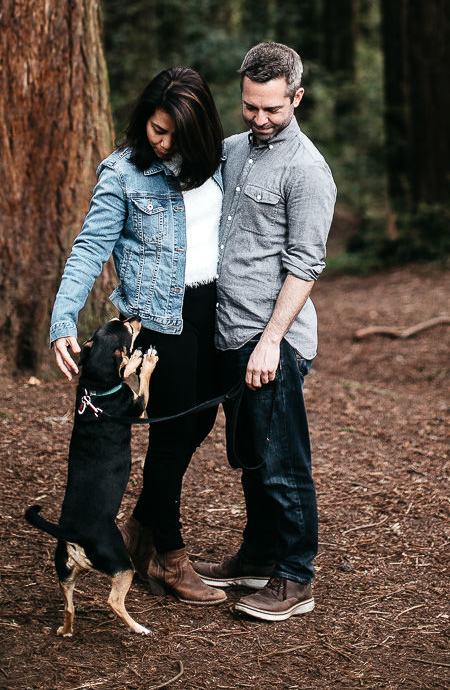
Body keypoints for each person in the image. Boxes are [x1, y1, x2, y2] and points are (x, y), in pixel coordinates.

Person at [50, 67, 227, 606]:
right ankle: (170, 557)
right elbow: (89, 247)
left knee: (198, 423)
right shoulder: (123, 171)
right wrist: (63, 320)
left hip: (216, 311)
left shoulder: (220, 164)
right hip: (156, 321)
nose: (163, 141)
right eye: (156, 128)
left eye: (175, 133)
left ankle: (140, 525)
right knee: (172, 439)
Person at [193, 41, 337, 621]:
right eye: (250, 107)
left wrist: (271, 342)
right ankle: (257, 555)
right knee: (251, 458)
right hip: (229, 335)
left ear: (296, 98)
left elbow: (306, 264)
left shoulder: (307, 170)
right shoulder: (232, 151)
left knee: (282, 462)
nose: (259, 119)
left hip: (271, 341)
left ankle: (295, 576)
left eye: (272, 110)